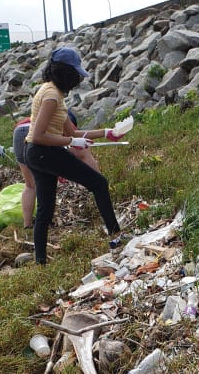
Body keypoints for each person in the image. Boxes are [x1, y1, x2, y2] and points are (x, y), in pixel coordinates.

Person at [24, 47, 125, 264]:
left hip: (37, 154)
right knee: (98, 183)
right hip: (43, 151)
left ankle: (40, 261)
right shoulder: (51, 96)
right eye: (75, 74)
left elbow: (73, 132)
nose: (77, 79)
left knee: (45, 208)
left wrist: (107, 133)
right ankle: (116, 236)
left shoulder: (51, 92)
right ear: (65, 73)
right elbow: (40, 135)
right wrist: (71, 142)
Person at [13, 108, 101, 230]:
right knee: (85, 154)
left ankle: (27, 226)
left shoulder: (43, 115)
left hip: (19, 132)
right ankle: (100, 188)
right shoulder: (64, 122)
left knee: (30, 185)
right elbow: (82, 153)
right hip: (36, 133)